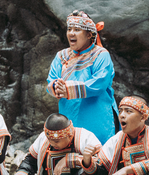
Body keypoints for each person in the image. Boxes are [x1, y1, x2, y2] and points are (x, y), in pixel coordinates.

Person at [46, 10, 118, 144]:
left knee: (96, 150)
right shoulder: (61, 56)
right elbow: (51, 79)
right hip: (68, 113)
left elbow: (100, 83)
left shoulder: (101, 54)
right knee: (69, 149)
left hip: (96, 117)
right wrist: (57, 87)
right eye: (69, 29)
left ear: (89, 34)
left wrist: (68, 90)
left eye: (77, 30)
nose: (71, 33)